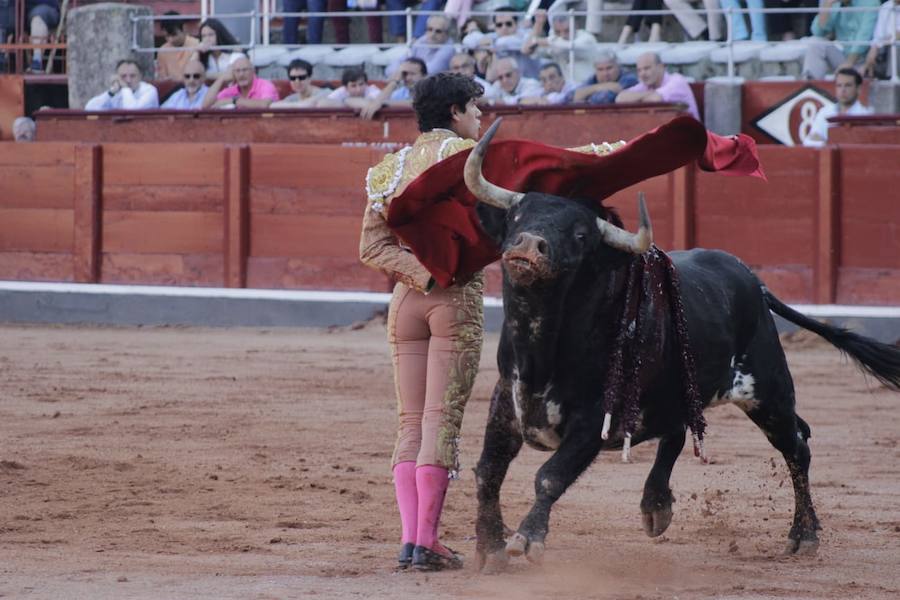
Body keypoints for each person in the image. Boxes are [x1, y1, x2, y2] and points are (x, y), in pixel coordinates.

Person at [359, 72, 485, 572]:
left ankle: (412, 541)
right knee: (439, 421)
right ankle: (428, 540)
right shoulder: (472, 162)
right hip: (453, 300)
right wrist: (440, 275)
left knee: (411, 422)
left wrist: (418, 274)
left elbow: (371, 247)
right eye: (476, 108)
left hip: (406, 302)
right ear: (455, 111)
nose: (481, 118)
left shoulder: (388, 169)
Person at [801, 0, 880, 80]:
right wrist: (827, 4)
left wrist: (849, 63)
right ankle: (810, 85)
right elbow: (818, 32)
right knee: (815, 42)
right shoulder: (836, 4)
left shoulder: (870, 2)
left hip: (865, 62)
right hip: (844, 58)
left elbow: (864, 36)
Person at [616, 52, 700, 120]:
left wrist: (639, 97)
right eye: (639, 70)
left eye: (647, 68)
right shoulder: (646, 85)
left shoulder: (677, 81)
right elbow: (620, 98)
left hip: (691, 135)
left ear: (661, 67)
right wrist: (649, 93)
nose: (642, 74)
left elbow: (655, 100)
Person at [802, 68, 873, 147]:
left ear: (858, 89)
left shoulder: (866, 116)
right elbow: (808, 142)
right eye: (839, 85)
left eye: (848, 85)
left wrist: (826, 143)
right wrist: (830, 144)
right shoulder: (825, 112)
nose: (843, 90)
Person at [358, 58, 428, 119]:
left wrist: (384, 103)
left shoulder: (431, 90)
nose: (408, 78)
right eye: (405, 74)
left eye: (412, 74)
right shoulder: (401, 92)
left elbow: (417, 103)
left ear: (424, 76)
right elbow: (376, 102)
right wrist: (395, 80)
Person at [388, 15, 455, 77]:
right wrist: (398, 72)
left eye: (438, 31)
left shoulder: (449, 48)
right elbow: (395, 64)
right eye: (430, 29)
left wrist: (403, 71)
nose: (433, 34)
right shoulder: (423, 40)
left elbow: (428, 72)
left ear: (447, 34)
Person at [202, 54, 279, 109]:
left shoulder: (265, 85)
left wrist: (235, 101)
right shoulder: (232, 90)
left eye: (245, 70)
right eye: (237, 71)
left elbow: (264, 105)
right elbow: (206, 106)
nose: (241, 74)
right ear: (233, 73)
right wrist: (221, 79)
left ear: (253, 71)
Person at [566, 50, 638, 105]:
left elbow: (604, 99)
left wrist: (585, 95)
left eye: (609, 68)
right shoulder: (593, 79)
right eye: (600, 69)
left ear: (618, 67)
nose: (605, 73)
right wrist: (599, 87)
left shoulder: (629, 79)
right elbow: (568, 97)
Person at [84, 59, 160, 110]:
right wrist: (111, 93)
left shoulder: (150, 91)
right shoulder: (117, 92)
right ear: (117, 77)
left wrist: (125, 88)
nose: (128, 80)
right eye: (123, 76)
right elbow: (89, 108)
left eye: (132, 76)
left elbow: (132, 111)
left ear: (140, 76)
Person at [156, 11, 200, 81]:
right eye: (167, 36)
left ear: (184, 28)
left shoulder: (196, 45)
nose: (171, 40)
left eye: (174, 35)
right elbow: (162, 78)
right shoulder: (163, 51)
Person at [863, 0, 900, 79]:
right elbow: (878, 34)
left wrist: (879, 44)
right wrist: (874, 48)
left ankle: (891, 81)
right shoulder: (885, 6)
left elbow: (897, 36)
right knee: (870, 52)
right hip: (882, 46)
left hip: (892, 46)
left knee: (895, 46)